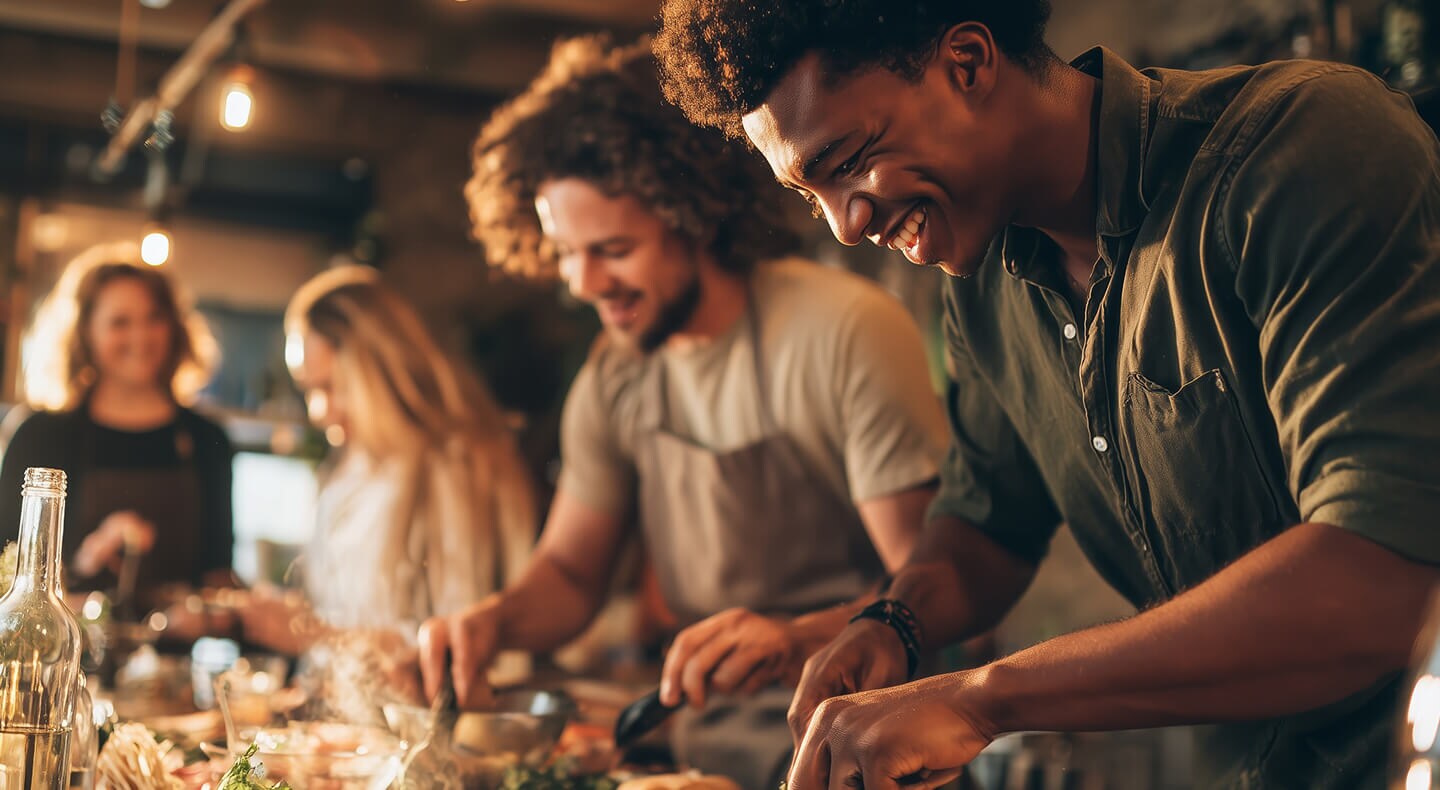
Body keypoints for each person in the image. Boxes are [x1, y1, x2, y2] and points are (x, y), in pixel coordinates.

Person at [653, 2, 1440, 788]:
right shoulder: (982, 281)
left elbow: (1377, 578)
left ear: (968, 62)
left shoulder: (1303, 149)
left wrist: (979, 700)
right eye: (809, 192)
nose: (844, 228)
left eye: (850, 158)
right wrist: (892, 622)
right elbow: (986, 525)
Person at [417, 36, 948, 788]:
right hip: (706, 760)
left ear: (691, 213)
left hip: (867, 758)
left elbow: (937, 590)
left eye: (613, 249)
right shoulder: (616, 375)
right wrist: (490, 625)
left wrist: (795, 638)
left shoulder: (841, 332)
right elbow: (571, 571)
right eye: (567, 252)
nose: (585, 282)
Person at [238, 265, 537, 659]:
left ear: (378, 369)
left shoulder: (451, 468)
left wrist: (313, 636)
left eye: (331, 387)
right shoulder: (348, 469)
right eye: (309, 390)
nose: (317, 410)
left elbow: (459, 641)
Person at [0, 241, 233, 610]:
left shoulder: (206, 439)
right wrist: (84, 562)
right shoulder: (40, 436)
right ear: (84, 333)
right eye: (120, 322)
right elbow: (8, 568)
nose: (141, 337)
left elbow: (218, 573)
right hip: (68, 654)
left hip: (177, 659)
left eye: (154, 317)